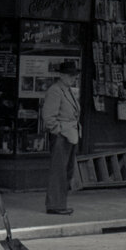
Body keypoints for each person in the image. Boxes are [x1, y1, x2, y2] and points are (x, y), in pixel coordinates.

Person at [40, 59, 81, 215]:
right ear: (62, 75)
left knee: (66, 171)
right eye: (71, 76)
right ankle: (55, 205)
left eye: (75, 76)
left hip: (69, 135)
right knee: (59, 172)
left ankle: (59, 204)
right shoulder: (55, 90)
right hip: (62, 136)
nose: (74, 78)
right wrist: (59, 130)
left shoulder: (67, 90)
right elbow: (49, 117)